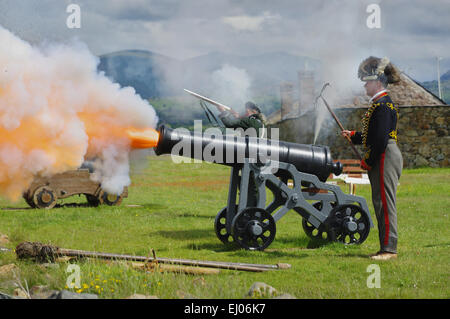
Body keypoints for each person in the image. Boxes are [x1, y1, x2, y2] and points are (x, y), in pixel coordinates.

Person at [342, 56, 403, 261]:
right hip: (383, 152)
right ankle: (385, 246)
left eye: (367, 82)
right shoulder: (379, 104)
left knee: (385, 203)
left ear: (377, 82)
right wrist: (354, 135)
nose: (365, 85)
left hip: (385, 154)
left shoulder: (383, 105)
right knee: (380, 202)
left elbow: (379, 140)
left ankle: (389, 249)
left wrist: (367, 160)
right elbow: (373, 136)